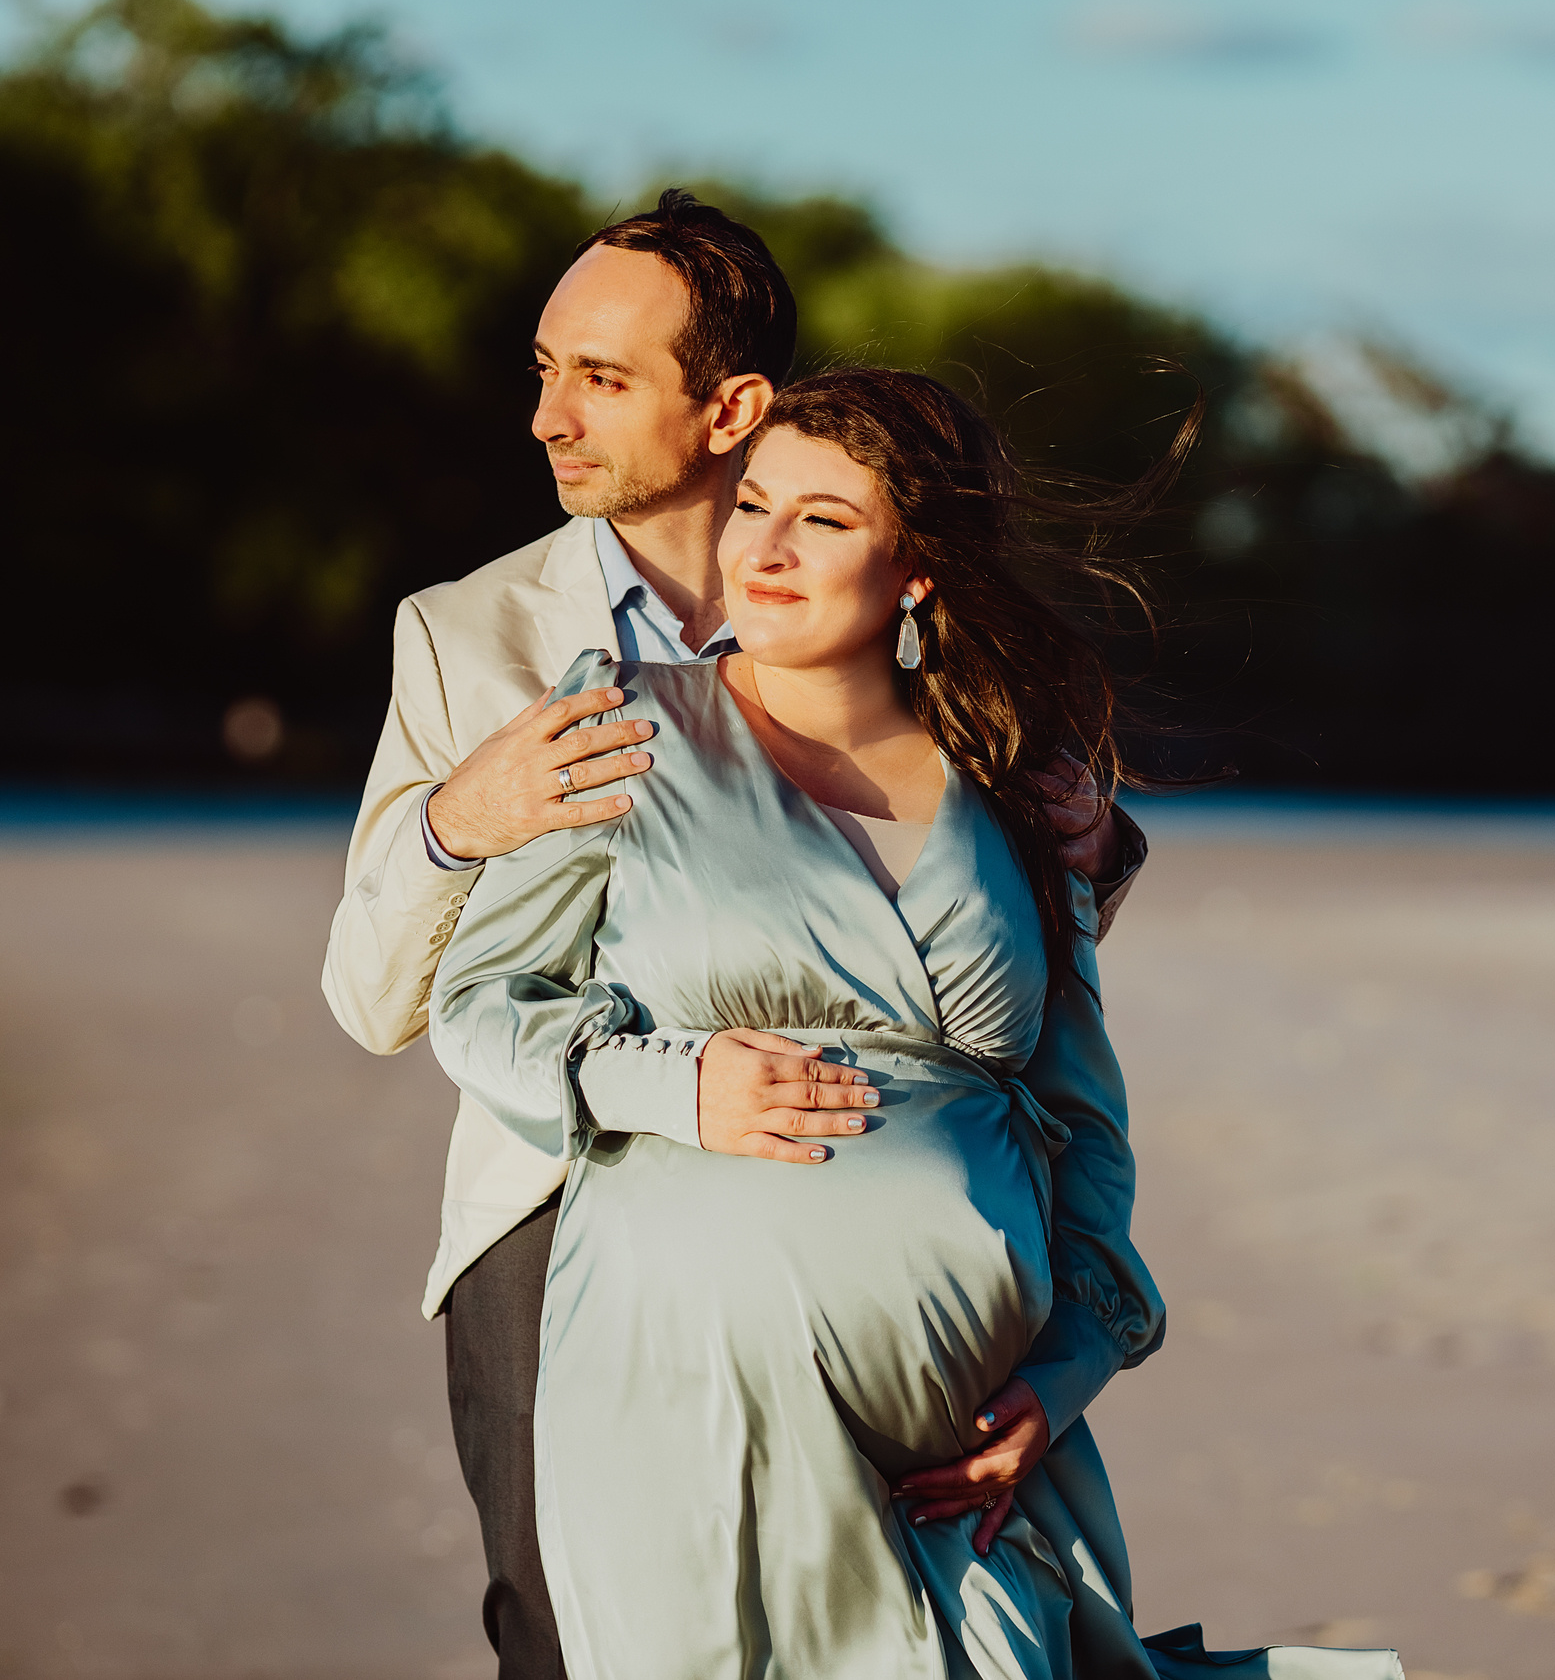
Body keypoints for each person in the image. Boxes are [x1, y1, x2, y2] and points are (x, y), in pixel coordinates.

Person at [428, 367, 1398, 1678]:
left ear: (920, 569)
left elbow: (1085, 1134)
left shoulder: (1017, 790)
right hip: (696, 1401)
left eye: (823, 520)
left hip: (970, 1458)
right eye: (752, 501)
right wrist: (676, 1083)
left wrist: (1056, 1389)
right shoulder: (626, 726)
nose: (763, 547)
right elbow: (480, 1007)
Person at [319, 191, 1140, 1676]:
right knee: (573, 1642)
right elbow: (391, 1000)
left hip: (945, 1347)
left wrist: (1096, 847)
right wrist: (465, 819)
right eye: (544, 369)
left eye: (602, 379)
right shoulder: (476, 638)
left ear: (732, 408)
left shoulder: (937, 660)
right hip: (564, 1201)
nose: (547, 418)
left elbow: (1027, 1005)